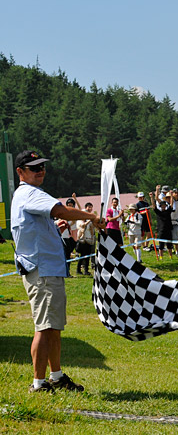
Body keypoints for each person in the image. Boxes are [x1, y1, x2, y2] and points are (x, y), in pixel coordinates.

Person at [11, 150, 104, 393]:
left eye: (42, 166)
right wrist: (91, 217)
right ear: (20, 172)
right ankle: (38, 384)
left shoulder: (27, 195)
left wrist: (53, 226)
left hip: (46, 269)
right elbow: (61, 209)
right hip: (42, 271)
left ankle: (57, 376)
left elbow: (43, 223)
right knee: (44, 327)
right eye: (33, 168)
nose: (40, 170)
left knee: (52, 326)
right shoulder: (30, 193)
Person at [75, 202, 97, 276]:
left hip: (88, 240)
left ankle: (86, 270)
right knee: (82, 256)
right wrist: (89, 220)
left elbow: (91, 229)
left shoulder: (89, 222)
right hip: (82, 241)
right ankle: (78, 269)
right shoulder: (79, 221)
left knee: (87, 256)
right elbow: (83, 226)